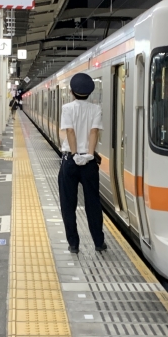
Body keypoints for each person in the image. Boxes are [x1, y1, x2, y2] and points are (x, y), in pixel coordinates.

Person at [58, 73, 107, 254]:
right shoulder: (96, 109)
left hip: (70, 161)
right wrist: (89, 155)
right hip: (89, 161)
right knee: (93, 202)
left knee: (68, 203)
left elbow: (70, 131)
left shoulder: (67, 108)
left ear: (71, 92)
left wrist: (74, 154)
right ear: (90, 93)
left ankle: (74, 244)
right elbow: (94, 133)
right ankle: (98, 242)